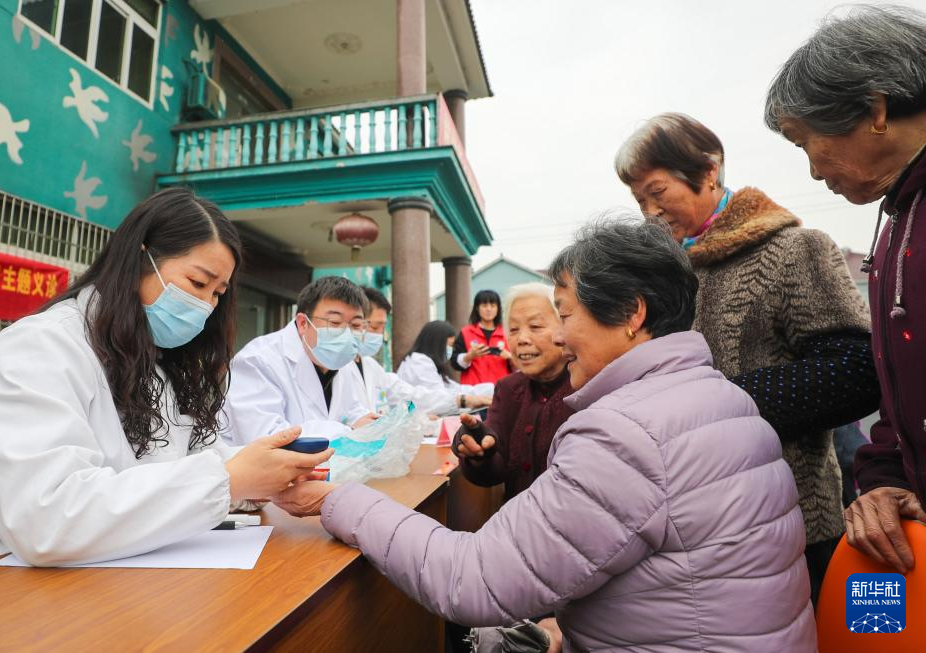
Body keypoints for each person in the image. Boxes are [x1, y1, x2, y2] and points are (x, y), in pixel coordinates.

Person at [271, 216, 815, 652]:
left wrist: (337, 500)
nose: (555, 337)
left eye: (564, 316)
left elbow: (473, 580)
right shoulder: (726, 399)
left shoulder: (627, 434)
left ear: (631, 314)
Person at [0, 188, 332, 570]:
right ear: (140, 259)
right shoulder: (38, 348)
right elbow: (47, 519)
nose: (205, 306)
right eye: (198, 283)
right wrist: (229, 481)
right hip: (3, 589)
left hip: (113, 576)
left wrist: (263, 477)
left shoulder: (155, 360)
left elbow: (185, 462)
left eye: (217, 293)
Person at [616, 111, 879, 603]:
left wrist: (722, 404)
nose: (650, 211)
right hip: (698, 528)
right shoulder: (670, 277)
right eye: (639, 200)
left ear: (708, 169)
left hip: (793, 522)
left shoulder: (794, 249)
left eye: (657, 192)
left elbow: (856, 369)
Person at [765, 4, 926, 574]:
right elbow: (902, 391)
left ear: (875, 110)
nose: (813, 171)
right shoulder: (898, 219)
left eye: (804, 142)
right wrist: (883, 480)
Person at [451, 282, 573, 502]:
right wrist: (480, 452)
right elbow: (496, 467)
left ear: (564, 329)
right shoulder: (508, 388)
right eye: (514, 329)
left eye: (535, 326)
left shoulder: (585, 387)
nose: (521, 339)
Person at [224, 276, 377, 445]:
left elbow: (350, 410)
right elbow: (266, 439)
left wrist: (369, 422)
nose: (346, 335)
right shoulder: (258, 360)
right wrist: (350, 432)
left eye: (356, 325)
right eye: (334, 322)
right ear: (303, 323)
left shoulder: (341, 363)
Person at [341, 287, 479, 415]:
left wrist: (415, 417)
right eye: (376, 327)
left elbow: (409, 399)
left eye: (383, 328)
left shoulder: (371, 366)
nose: (380, 335)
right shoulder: (419, 362)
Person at [396, 320, 492, 413]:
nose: (450, 350)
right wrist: (467, 400)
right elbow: (438, 397)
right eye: (449, 345)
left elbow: (454, 388)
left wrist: (489, 390)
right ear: (437, 344)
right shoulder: (419, 362)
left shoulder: (427, 363)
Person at [449, 290, 513, 385]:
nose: (488, 309)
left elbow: (520, 366)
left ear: (498, 309)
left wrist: (510, 357)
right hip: (473, 390)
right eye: (484, 305)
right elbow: (454, 363)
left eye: (493, 305)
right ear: (477, 308)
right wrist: (469, 356)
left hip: (501, 389)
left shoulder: (507, 333)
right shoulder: (466, 332)